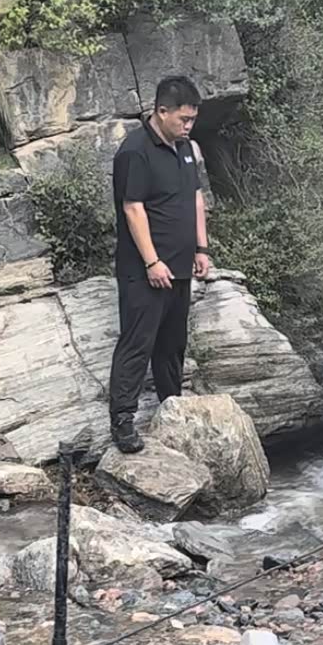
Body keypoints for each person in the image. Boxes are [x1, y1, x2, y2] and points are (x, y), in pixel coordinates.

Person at [108, 75, 212, 455]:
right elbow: (133, 208)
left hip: (181, 267)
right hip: (144, 272)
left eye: (193, 119)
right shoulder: (135, 151)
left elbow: (196, 198)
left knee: (172, 346)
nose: (188, 126)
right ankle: (123, 422)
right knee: (137, 344)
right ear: (161, 111)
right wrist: (152, 261)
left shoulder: (185, 149)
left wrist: (201, 248)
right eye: (183, 119)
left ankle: (173, 409)